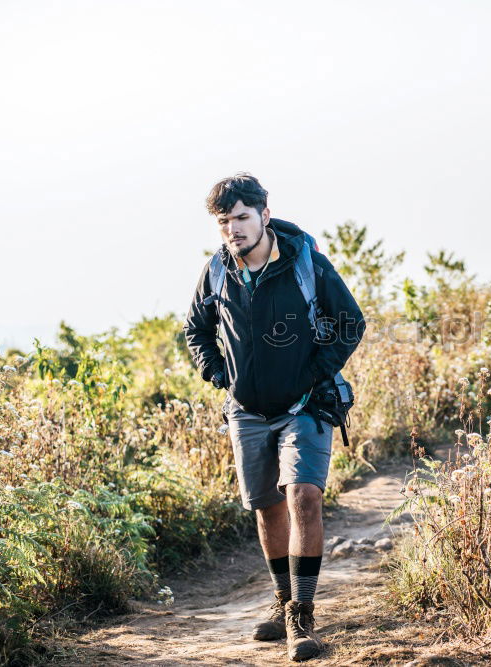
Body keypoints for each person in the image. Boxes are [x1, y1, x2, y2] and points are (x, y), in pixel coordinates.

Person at [183, 173, 366, 661]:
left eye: (242, 218)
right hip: (247, 412)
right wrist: (217, 373)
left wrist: (315, 372)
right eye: (224, 222)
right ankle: (283, 599)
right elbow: (195, 329)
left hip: (306, 405)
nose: (233, 230)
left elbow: (352, 322)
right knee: (268, 507)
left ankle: (301, 616)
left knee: (303, 495)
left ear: (264, 214)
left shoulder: (307, 263)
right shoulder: (216, 271)